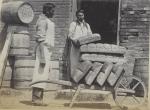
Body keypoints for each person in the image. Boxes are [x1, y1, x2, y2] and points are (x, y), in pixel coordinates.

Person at [31, 3, 55, 105]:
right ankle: (36, 99)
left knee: (44, 75)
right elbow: (40, 40)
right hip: (43, 50)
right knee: (40, 74)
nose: (54, 13)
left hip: (47, 51)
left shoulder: (48, 21)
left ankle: (39, 99)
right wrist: (42, 57)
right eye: (53, 11)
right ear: (47, 11)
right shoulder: (42, 21)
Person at [67, 9, 92, 81]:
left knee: (83, 63)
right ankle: (73, 80)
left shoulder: (87, 25)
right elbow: (69, 35)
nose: (80, 17)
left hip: (84, 48)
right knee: (74, 63)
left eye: (81, 15)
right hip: (75, 47)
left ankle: (82, 80)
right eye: (79, 16)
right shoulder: (73, 24)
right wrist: (73, 40)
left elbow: (90, 35)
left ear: (84, 16)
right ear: (76, 16)